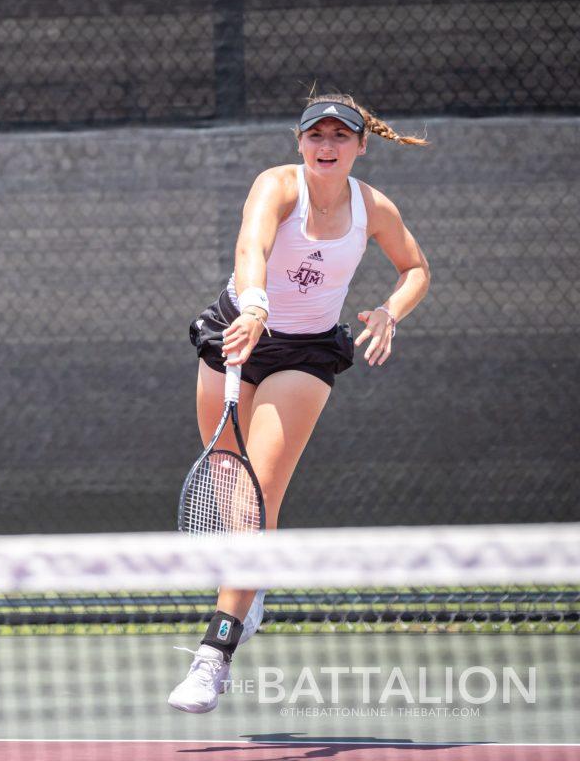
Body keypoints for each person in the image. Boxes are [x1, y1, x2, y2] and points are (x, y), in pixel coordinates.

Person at [168, 94, 431, 713]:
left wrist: (391, 310)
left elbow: (415, 268)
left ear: (361, 146)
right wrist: (255, 304)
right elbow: (251, 246)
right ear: (301, 142)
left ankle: (215, 653)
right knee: (228, 482)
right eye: (318, 134)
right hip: (238, 332)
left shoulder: (375, 209)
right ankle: (250, 587)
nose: (328, 145)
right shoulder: (276, 186)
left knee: (256, 494)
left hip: (305, 353)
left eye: (342, 135)